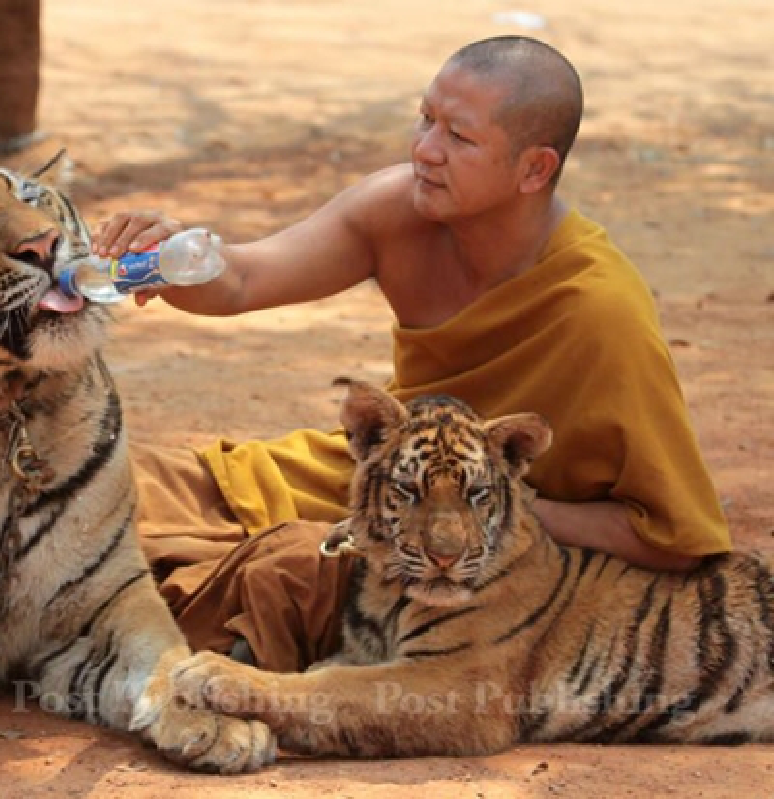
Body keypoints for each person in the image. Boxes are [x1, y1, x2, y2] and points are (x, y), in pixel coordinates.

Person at [95, 35, 731, 673]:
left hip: (461, 549)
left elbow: (672, 541)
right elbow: (242, 279)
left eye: (459, 136)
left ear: (534, 170)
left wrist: (496, 505)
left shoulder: (602, 311)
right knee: (105, 487)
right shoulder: (399, 212)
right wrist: (173, 258)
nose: (425, 149)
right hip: (372, 483)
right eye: (426, 119)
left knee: (283, 573)